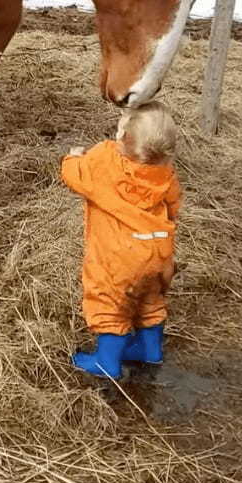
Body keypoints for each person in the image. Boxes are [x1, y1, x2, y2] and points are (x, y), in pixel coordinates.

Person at [61, 102, 181, 379]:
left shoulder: (105, 159)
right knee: (151, 299)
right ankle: (150, 351)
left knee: (110, 303)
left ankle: (107, 362)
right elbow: (174, 206)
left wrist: (72, 157)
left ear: (120, 137)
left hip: (117, 258)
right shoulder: (165, 172)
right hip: (158, 251)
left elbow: (74, 176)